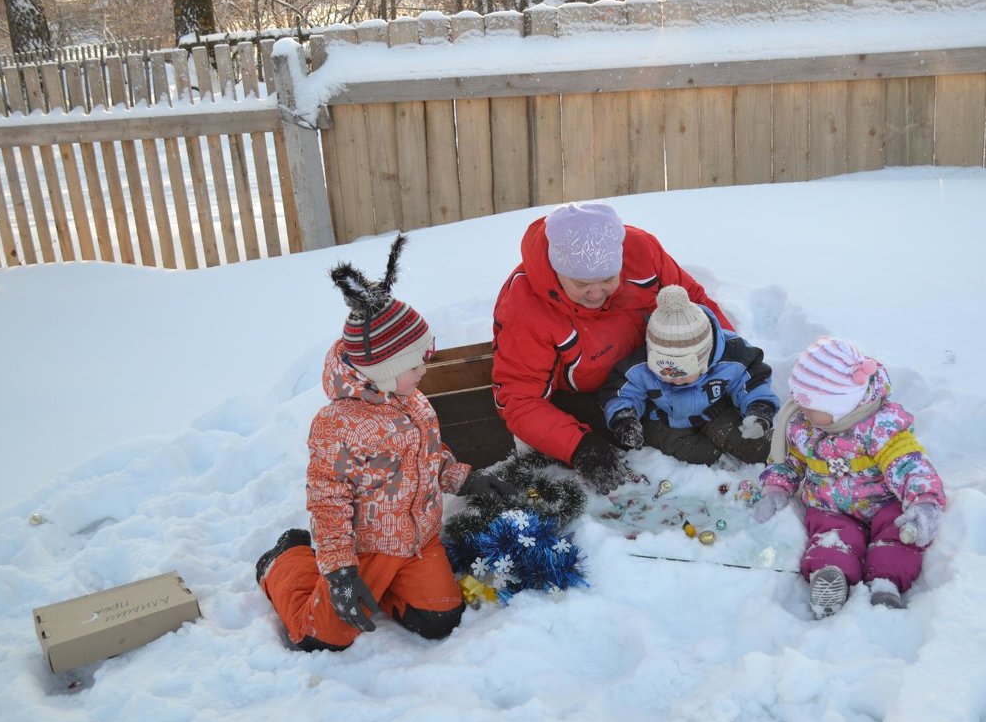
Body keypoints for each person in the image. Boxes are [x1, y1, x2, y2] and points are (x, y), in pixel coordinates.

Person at [255, 236, 515, 651]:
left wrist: (468, 480)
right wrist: (340, 570)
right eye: (413, 365)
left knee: (439, 619)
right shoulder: (338, 424)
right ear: (380, 369)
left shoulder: (412, 399)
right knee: (320, 637)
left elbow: (430, 459)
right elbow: (328, 500)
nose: (423, 371)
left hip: (418, 540)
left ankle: (386, 589)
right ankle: (285, 561)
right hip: (363, 550)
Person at [492, 201, 733, 493]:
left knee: (720, 416)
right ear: (557, 270)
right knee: (651, 440)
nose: (596, 293)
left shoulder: (642, 251)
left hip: (658, 371)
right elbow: (519, 398)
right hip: (588, 397)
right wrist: (579, 446)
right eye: (581, 284)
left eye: (607, 279)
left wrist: (728, 360)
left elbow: (695, 303)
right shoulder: (524, 307)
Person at [753, 336, 946, 618]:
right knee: (829, 539)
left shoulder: (880, 427)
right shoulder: (803, 426)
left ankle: (886, 584)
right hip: (831, 508)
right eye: (800, 401)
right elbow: (790, 461)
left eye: (810, 405)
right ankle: (831, 577)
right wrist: (776, 488)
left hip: (883, 503)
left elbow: (909, 465)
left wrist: (924, 501)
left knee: (898, 538)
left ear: (839, 404)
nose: (800, 409)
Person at [599, 285, 779, 465]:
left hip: (714, 411)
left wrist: (759, 410)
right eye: (665, 373)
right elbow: (623, 391)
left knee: (755, 446)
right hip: (665, 419)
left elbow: (751, 381)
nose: (675, 380)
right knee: (700, 454)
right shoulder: (641, 365)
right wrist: (624, 418)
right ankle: (712, 457)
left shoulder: (732, 356)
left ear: (705, 360)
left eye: (682, 374)